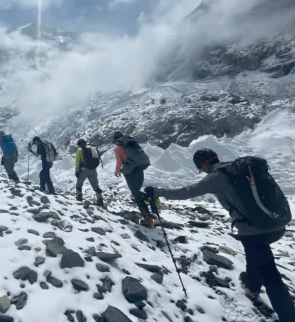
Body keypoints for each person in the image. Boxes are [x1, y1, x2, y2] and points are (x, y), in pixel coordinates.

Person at [144, 149, 295, 322]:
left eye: (201, 168)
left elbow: (187, 192)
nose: (203, 171)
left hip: (254, 232)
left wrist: (157, 192)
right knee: (255, 256)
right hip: (277, 224)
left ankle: (288, 316)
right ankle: (252, 285)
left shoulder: (216, 178)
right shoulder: (238, 169)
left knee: (271, 276)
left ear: (204, 164)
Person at [113, 131, 156, 228]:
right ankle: (149, 198)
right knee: (137, 193)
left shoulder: (118, 147)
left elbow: (119, 161)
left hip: (130, 172)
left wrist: (117, 172)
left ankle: (148, 220)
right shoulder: (131, 143)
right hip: (140, 169)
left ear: (116, 140)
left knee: (136, 196)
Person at [75, 139, 104, 207]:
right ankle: (100, 201)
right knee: (96, 186)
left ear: (79, 144)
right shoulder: (92, 148)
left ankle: (79, 199)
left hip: (84, 170)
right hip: (93, 170)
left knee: (78, 185)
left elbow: (77, 161)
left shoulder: (79, 150)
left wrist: (77, 171)